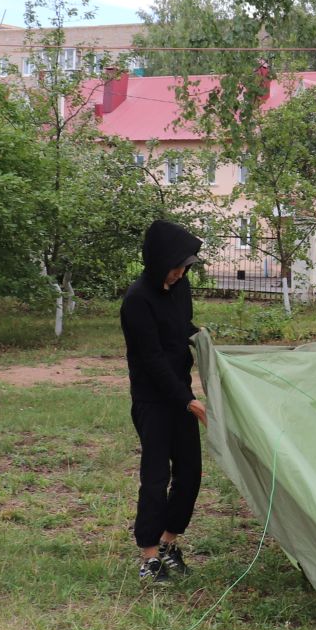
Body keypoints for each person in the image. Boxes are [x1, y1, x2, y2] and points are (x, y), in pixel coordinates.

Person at [120, 220, 207, 583]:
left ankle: (170, 543)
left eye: (184, 268)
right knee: (155, 478)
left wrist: (203, 339)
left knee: (190, 475)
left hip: (181, 397)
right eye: (175, 267)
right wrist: (190, 402)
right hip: (153, 402)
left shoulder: (180, 288)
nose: (179, 274)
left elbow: (181, 328)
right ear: (157, 262)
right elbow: (153, 361)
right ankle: (149, 556)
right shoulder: (137, 300)